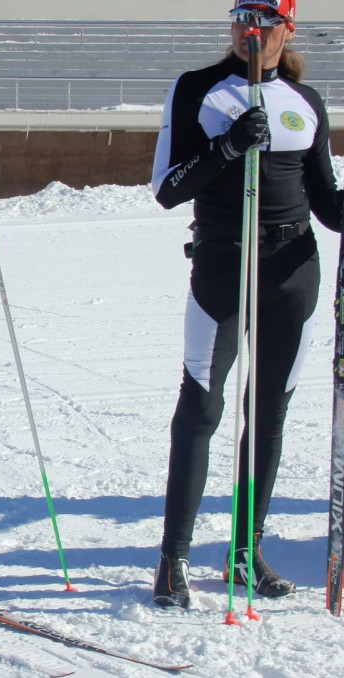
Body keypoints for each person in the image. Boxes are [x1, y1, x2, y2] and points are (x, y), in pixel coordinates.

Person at [150, 0, 343, 608]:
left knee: (269, 412)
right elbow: (166, 189)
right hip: (223, 263)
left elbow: (327, 202)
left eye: (263, 22)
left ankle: (244, 549)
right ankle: (173, 558)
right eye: (240, 20)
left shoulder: (305, 103)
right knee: (203, 407)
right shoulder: (197, 91)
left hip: (293, 269)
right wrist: (229, 146)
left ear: (288, 28)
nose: (249, 33)